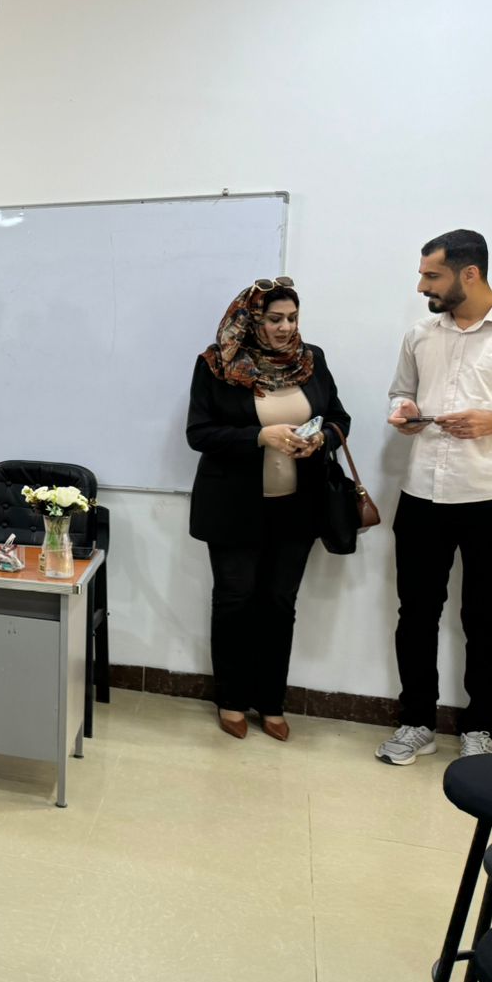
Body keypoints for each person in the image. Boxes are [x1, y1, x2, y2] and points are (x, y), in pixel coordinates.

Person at [187, 278, 351, 742]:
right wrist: (259, 437)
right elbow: (199, 433)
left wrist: (321, 439)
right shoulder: (217, 364)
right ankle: (231, 700)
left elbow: (339, 418)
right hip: (233, 508)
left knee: (279, 604)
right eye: (275, 319)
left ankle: (271, 702)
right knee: (235, 601)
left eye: (292, 318)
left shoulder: (311, 360)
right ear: (250, 320)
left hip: (298, 507)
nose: (286, 327)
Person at [378, 229, 492, 766]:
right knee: (416, 614)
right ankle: (416, 723)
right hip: (421, 493)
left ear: (469, 274)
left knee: (488, 617)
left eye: (432, 275)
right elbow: (400, 391)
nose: (422, 286)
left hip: (490, 496)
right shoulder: (420, 335)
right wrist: (403, 412)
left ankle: (481, 727)